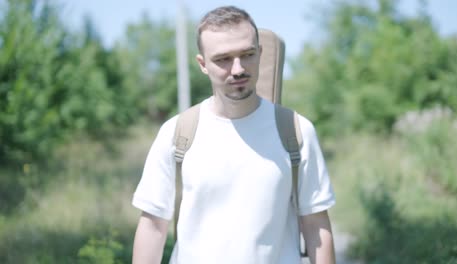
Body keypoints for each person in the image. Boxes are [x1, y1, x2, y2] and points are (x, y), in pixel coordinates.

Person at [131, 5, 336, 264]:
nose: (237, 69)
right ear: (203, 64)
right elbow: (153, 226)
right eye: (223, 59)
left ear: (260, 53)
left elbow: (316, 225)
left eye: (247, 54)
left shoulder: (295, 131)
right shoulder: (177, 133)